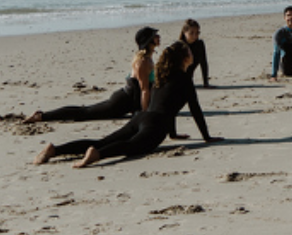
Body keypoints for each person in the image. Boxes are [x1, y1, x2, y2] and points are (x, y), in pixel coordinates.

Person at [33, 41, 219, 167]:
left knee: (102, 141)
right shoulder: (185, 79)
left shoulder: (162, 77)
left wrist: (173, 134)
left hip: (141, 117)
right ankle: (97, 156)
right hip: (156, 125)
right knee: (131, 146)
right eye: (189, 52)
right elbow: (195, 109)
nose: (192, 54)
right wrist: (207, 137)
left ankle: (55, 150)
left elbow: (164, 103)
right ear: (184, 58)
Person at [24, 27, 161, 123]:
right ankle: (42, 116)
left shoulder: (147, 58)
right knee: (84, 113)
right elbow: (144, 90)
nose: (158, 37)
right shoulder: (143, 62)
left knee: (85, 112)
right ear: (149, 41)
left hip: (127, 100)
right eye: (155, 36)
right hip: (121, 102)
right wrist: (145, 114)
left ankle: (43, 116)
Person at [181, 19, 211, 87]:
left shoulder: (200, 44)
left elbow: (203, 63)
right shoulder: (180, 46)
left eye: (197, 33)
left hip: (188, 79)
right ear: (184, 32)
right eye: (191, 33)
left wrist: (206, 83)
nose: (195, 36)